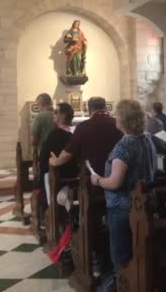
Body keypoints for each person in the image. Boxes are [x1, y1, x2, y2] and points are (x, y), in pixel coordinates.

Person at [90, 99, 156, 291]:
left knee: (121, 255)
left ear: (124, 119)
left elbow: (115, 181)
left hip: (124, 207)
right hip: (145, 204)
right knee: (140, 252)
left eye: (117, 114)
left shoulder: (125, 144)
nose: (114, 117)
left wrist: (97, 180)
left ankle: (122, 285)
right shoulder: (147, 139)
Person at [50, 97, 123, 193]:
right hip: (118, 175)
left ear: (89, 110)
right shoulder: (118, 123)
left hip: (93, 178)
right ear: (105, 108)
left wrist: (57, 161)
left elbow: (68, 152)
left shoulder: (83, 126)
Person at [39, 103, 79, 204]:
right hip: (73, 175)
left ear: (63, 116)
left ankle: (47, 210)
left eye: (56, 112)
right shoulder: (74, 134)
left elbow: (44, 157)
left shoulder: (55, 134)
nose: (53, 114)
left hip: (57, 176)